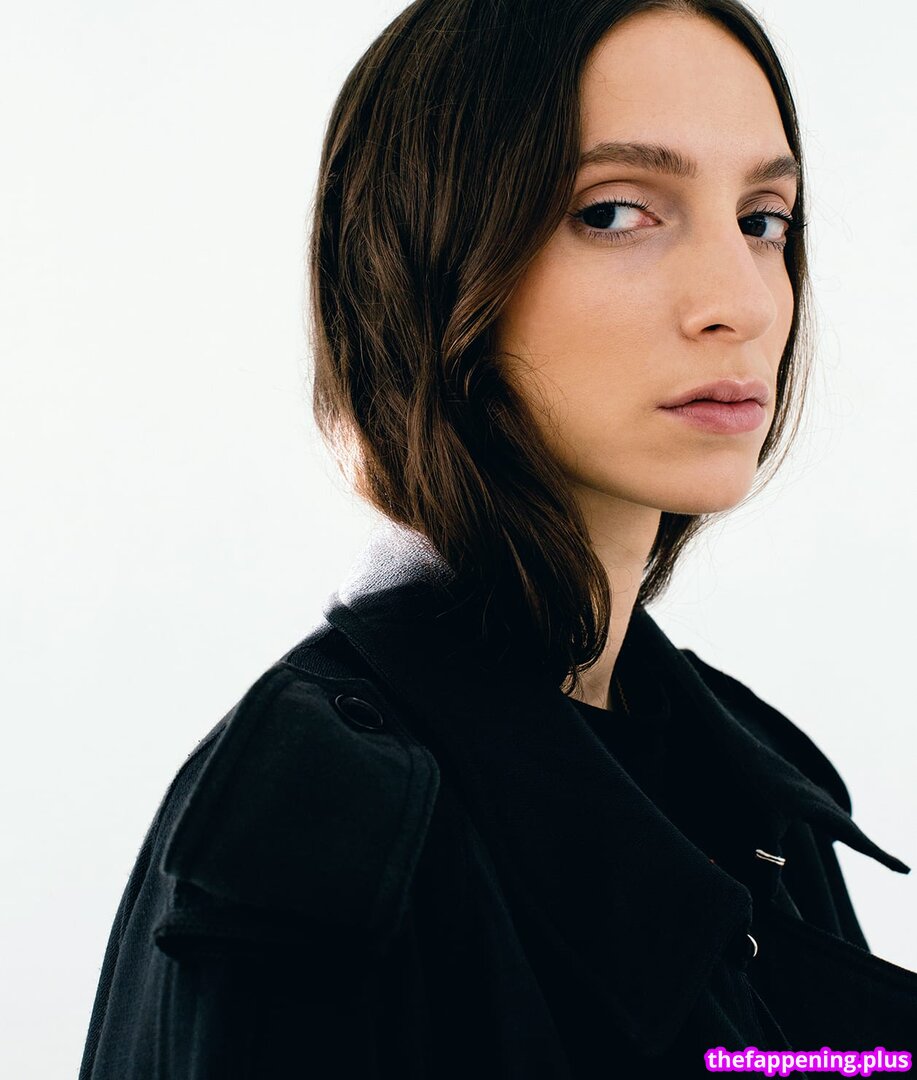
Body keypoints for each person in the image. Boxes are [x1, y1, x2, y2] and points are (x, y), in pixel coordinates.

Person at [77, 1, 917, 1077]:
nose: (740, 303)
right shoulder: (327, 829)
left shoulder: (748, 792)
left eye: (762, 220)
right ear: (429, 264)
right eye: (614, 212)